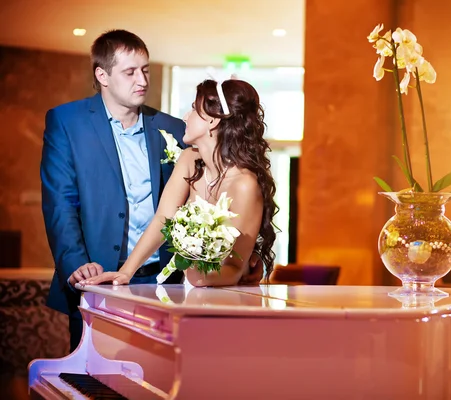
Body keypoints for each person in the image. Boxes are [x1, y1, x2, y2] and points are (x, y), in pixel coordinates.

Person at [41, 30, 263, 353]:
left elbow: (222, 198)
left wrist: (243, 249)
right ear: (101, 75)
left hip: (167, 285)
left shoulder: (175, 130)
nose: (142, 80)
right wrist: (82, 265)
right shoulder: (67, 122)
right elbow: (59, 203)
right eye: (130, 72)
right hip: (100, 280)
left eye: (145, 69)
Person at [80, 78, 277, 287]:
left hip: (226, 296)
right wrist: (126, 272)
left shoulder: (245, 184)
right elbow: (163, 219)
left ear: (212, 120)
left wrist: (197, 276)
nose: (185, 117)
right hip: (187, 289)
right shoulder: (188, 159)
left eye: (193, 109)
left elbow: (235, 268)